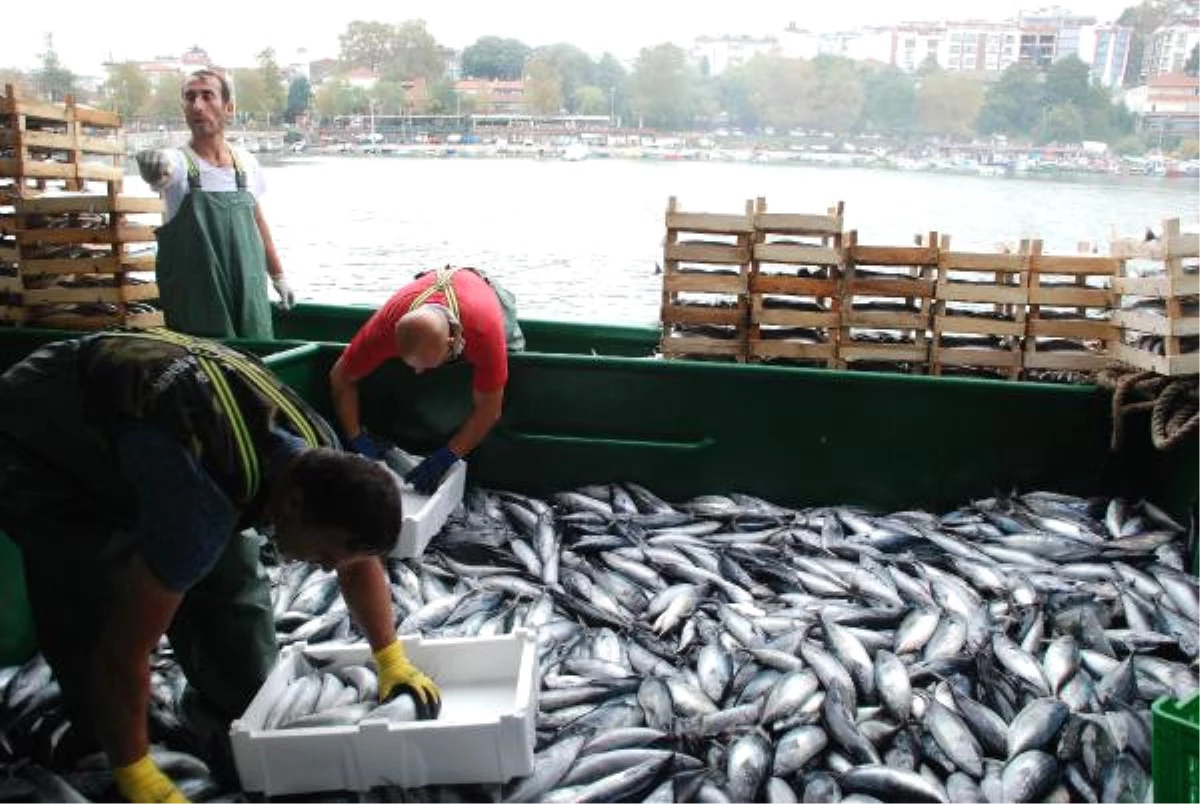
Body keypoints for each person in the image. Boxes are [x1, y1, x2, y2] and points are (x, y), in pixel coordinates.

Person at [0, 329, 439, 803]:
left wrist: (390, 657)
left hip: (163, 430)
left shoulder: (318, 452)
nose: (327, 568)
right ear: (290, 503)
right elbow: (122, 656)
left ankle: (222, 713)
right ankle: (106, 745)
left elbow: (356, 563)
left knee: (231, 602)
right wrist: (135, 771)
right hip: (41, 426)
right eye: (324, 556)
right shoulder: (200, 506)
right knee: (96, 594)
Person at [329, 266, 524, 495]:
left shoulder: (484, 333)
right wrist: (355, 436)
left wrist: (449, 455)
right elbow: (340, 376)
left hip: (484, 292)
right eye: (410, 364)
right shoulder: (385, 328)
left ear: (452, 342)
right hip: (428, 285)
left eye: (427, 365)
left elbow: (490, 409)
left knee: (510, 366)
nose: (418, 373)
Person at [136, 69, 294, 340]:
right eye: (190, 98)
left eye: (208, 96)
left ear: (229, 107)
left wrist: (278, 276)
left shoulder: (247, 164)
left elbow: (258, 222)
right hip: (200, 306)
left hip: (249, 296)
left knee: (256, 360)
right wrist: (152, 167)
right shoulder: (178, 165)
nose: (197, 106)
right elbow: (160, 172)